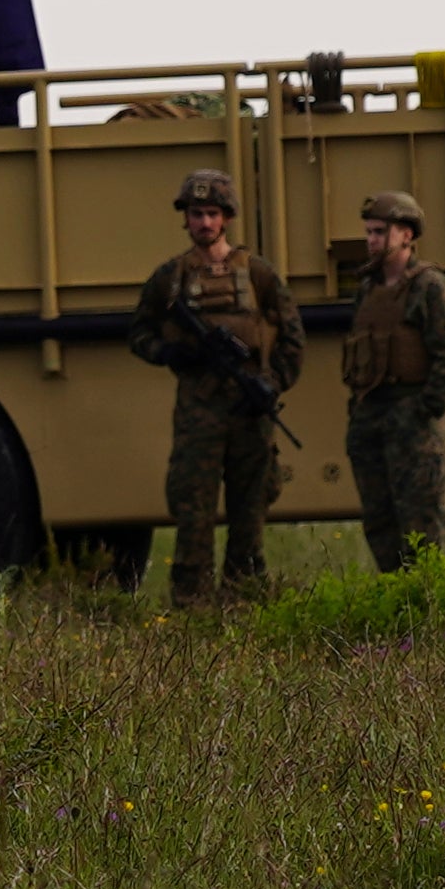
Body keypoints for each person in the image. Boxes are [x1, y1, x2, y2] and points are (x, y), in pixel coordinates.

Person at [122, 165, 300, 605]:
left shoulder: (258, 274)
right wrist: (171, 353)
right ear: (186, 218)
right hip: (198, 411)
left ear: (227, 218)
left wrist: (270, 385)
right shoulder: (171, 278)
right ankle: (190, 603)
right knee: (193, 510)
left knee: (250, 511)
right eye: (197, 213)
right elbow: (139, 333)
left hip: (249, 410)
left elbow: (292, 339)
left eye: (212, 214)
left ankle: (244, 598)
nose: (204, 222)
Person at [331, 186, 445, 572]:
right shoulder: (368, 289)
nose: (372, 241)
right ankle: (396, 600)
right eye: (370, 232)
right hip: (371, 419)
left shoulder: (430, 288)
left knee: (421, 522)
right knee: (379, 520)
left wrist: (423, 410)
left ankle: (425, 608)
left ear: (406, 234)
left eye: (381, 232)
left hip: (412, 424)